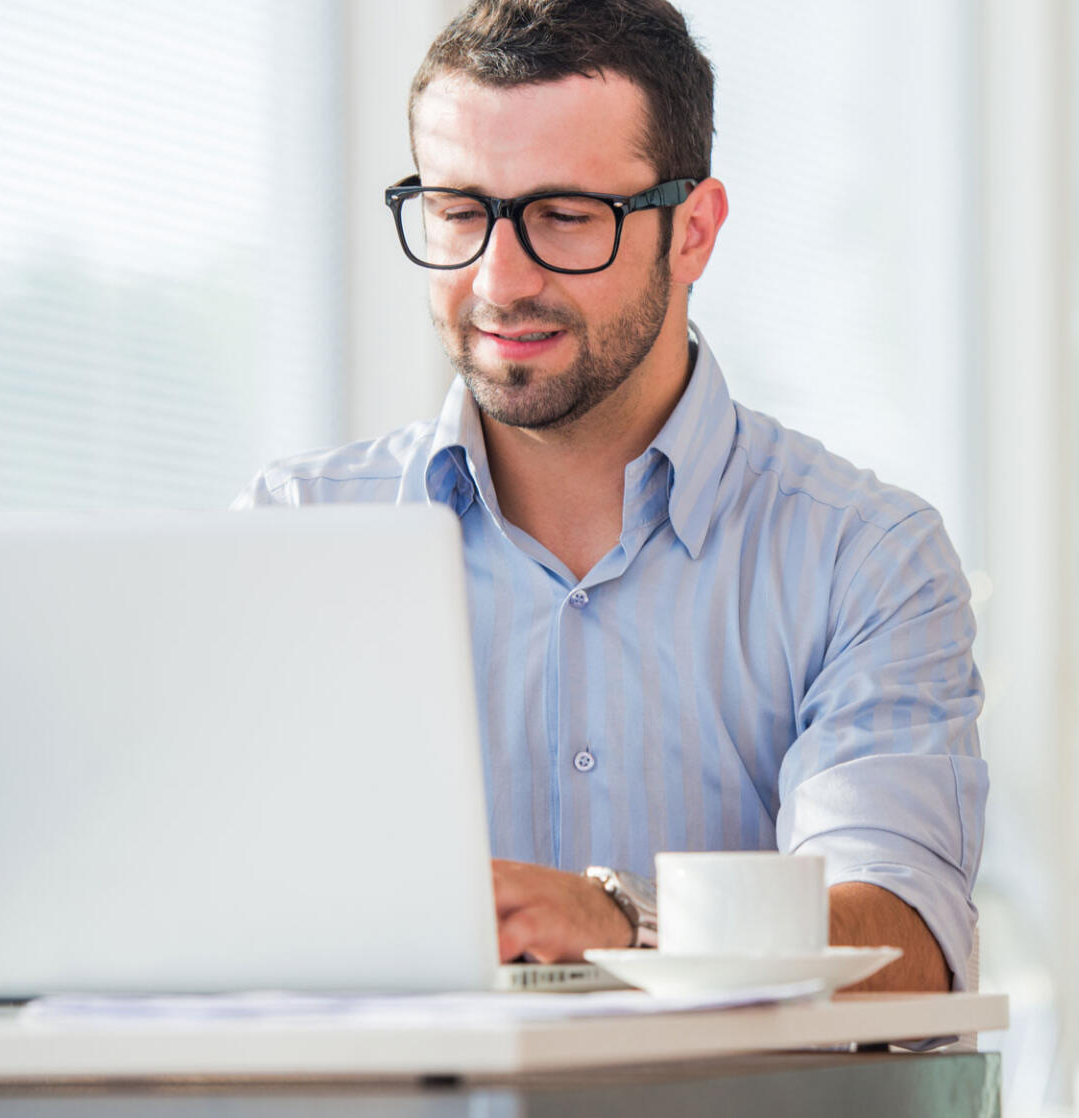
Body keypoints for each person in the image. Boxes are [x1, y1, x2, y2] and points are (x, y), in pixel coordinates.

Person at [236, 0, 987, 993]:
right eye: (460, 212)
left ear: (693, 233)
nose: (499, 278)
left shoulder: (863, 557)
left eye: (565, 217)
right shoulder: (300, 533)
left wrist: (627, 921)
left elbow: (903, 935)